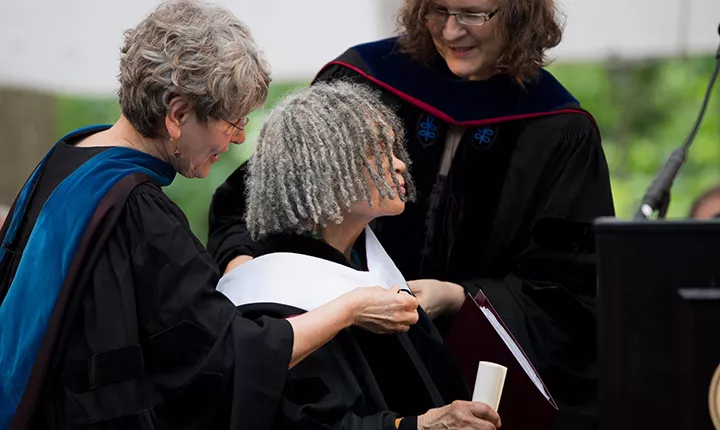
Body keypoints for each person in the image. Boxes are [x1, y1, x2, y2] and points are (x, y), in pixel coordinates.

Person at [0, 2, 419, 429]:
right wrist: (349, 309)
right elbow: (228, 356)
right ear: (179, 114)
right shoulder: (137, 211)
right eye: (232, 121)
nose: (238, 138)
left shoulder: (64, 162)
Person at [208, 1, 614, 429]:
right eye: (437, 10)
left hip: (461, 375)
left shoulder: (559, 129)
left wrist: (459, 296)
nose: (452, 32)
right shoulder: (362, 81)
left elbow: (570, 291)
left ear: (519, 12)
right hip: (337, 362)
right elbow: (263, 196)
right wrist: (251, 275)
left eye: (473, 14)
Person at [217, 80, 502, 430]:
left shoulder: (370, 260)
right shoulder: (272, 302)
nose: (399, 165)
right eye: (379, 151)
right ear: (324, 172)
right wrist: (418, 426)